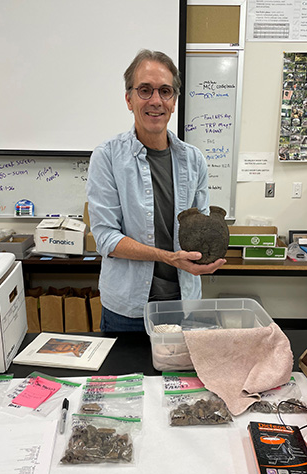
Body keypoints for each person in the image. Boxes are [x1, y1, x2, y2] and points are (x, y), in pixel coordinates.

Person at [86, 49, 226, 332]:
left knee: (177, 378)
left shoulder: (194, 159)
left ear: (174, 101)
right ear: (129, 99)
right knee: (126, 377)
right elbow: (105, 238)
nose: (155, 101)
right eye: (145, 90)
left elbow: (201, 226)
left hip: (182, 304)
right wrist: (167, 257)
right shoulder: (107, 157)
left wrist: (207, 257)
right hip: (127, 310)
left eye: (165, 91)